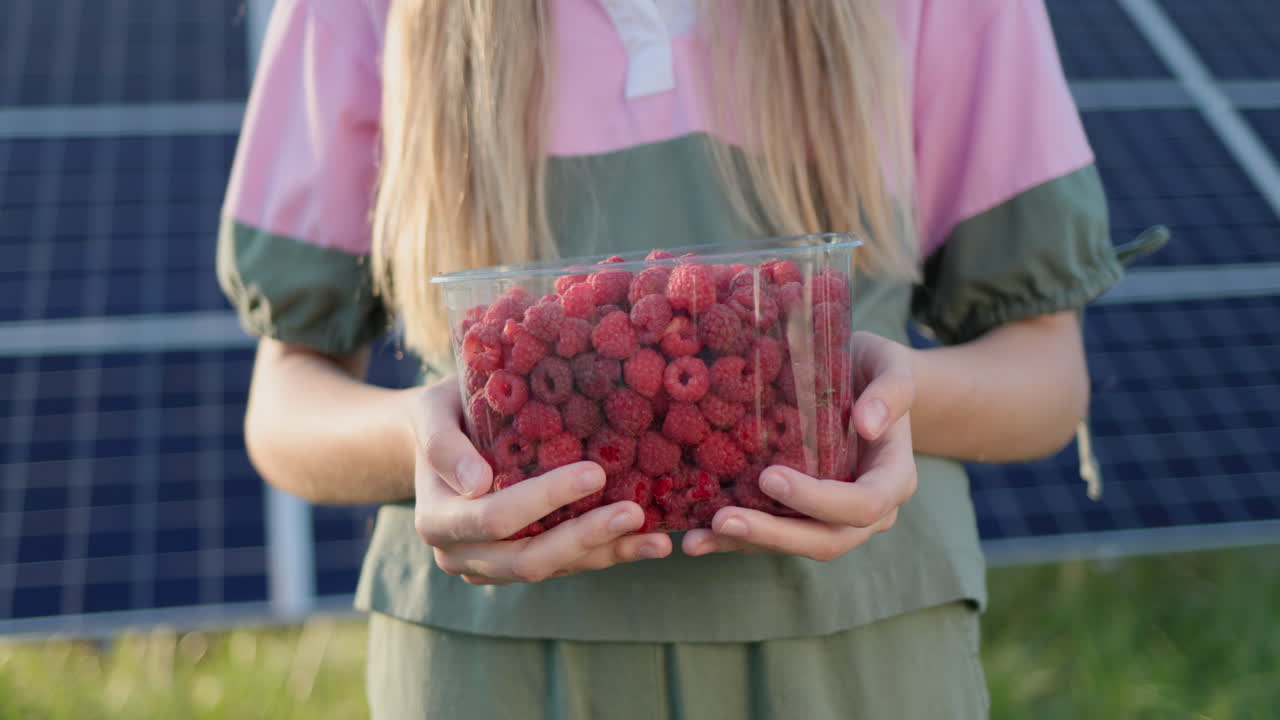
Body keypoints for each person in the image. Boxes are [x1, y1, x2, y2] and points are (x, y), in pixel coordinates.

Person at [218, 0, 1130, 717]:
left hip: (856, 665)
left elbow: (1047, 380)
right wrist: (422, 440)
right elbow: (285, 406)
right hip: (485, 669)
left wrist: (890, 396)